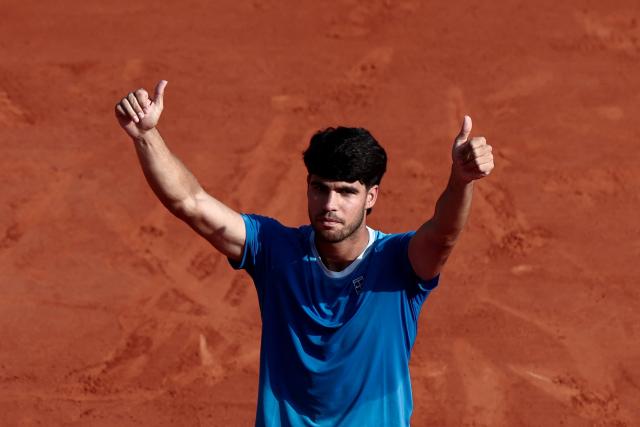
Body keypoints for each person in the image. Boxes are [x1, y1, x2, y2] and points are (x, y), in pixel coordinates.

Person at [115, 80, 494, 426]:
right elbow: (190, 202)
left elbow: (442, 236)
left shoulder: (399, 264)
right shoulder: (274, 249)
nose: (329, 204)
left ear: (371, 197)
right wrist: (146, 135)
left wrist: (461, 182)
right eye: (320, 188)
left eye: (347, 192)